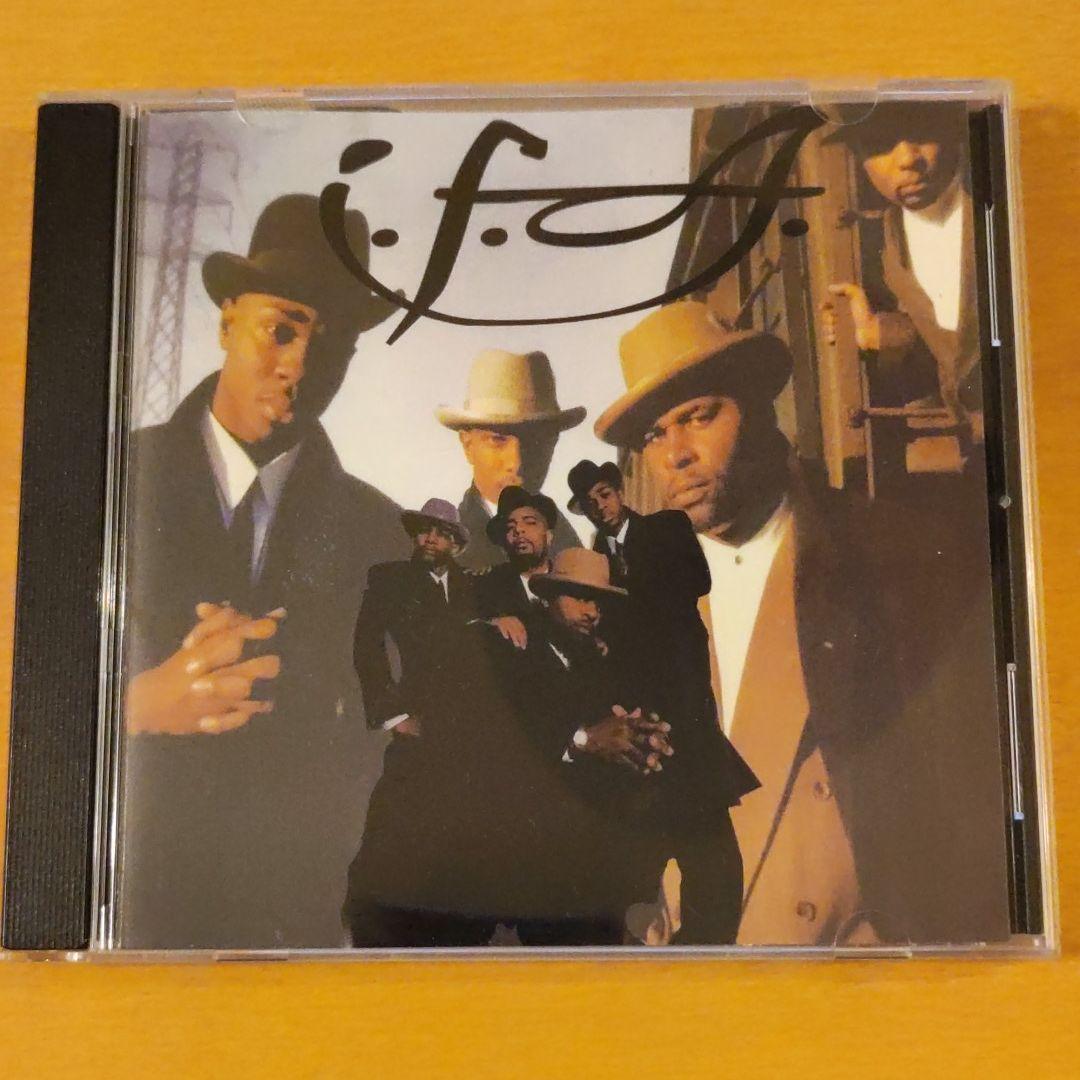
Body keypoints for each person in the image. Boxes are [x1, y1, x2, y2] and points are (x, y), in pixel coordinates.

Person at [594, 299, 1010, 946]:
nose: (676, 454)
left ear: (758, 409)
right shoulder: (640, 603)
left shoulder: (885, 555)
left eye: (698, 416)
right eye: (654, 435)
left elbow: (965, 797)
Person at [121, 194, 407, 948]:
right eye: (281, 329)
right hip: (122, 930)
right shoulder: (106, 481)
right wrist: (138, 704)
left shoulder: (382, 533)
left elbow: (398, 748)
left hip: (295, 940)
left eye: (335, 345)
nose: (300, 367)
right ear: (226, 323)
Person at [565, 460, 760, 943]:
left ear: (619, 491)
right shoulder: (596, 554)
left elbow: (698, 581)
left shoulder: (665, 527)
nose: (600, 507)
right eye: (589, 503)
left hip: (680, 692)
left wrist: (629, 604)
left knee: (704, 817)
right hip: (634, 701)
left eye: (605, 494)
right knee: (647, 818)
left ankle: (708, 937)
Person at [345, 499, 490, 947]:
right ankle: (375, 928)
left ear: (457, 544)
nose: (430, 539)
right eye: (424, 530)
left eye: (442, 533)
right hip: (418, 721)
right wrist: (395, 716)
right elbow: (366, 648)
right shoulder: (389, 578)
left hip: (469, 728)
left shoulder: (474, 584)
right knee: (397, 820)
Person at [820, 102, 983, 454]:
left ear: (952, 131)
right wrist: (875, 331)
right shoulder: (890, 241)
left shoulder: (1001, 202)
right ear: (860, 157)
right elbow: (954, 346)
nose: (907, 158)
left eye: (922, 133)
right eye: (880, 143)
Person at [436, 349, 584, 569]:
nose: (516, 462)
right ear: (468, 445)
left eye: (532, 440)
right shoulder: (447, 555)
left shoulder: (571, 548)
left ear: (553, 443)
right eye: (498, 440)